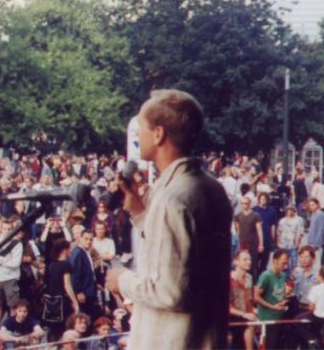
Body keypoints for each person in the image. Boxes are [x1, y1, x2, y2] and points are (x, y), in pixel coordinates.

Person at [106, 89, 232, 349]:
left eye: (140, 127)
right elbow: (181, 253)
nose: (138, 135)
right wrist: (140, 212)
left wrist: (122, 280)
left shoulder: (172, 198)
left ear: (159, 133)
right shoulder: (210, 188)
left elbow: (171, 292)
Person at [43, 239, 80, 340]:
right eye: (69, 249)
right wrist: (75, 301)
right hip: (63, 301)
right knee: (65, 328)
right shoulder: (66, 265)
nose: (70, 251)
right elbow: (67, 285)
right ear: (64, 250)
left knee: (54, 329)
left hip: (52, 301)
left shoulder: (51, 265)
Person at [254, 249, 291, 349]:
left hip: (278, 317)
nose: (285, 266)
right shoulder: (266, 276)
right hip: (267, 319)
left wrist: (284, 300)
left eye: (287, 263)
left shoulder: (283, 276)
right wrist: (273, 307)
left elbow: (279, 294)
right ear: (275, 261)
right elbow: (256, 297)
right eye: (283, 263)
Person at [0, 217, 23, 328]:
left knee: (12, 306)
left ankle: (12, 327)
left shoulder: (17, 244)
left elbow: (16, 263)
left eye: (9, 229)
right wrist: (6, 259)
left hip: (10, 278)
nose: (6, 231)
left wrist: (0, 262)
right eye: (4, 228)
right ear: (0, 229)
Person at [229, 250, 256, 350]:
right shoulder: (229, 279)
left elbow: (249, 301)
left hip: (245, 316)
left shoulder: (249, 278)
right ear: (236, 261)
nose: (249, 261)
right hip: (231, 317)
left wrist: (253, 312)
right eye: (245, 259)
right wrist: (244, 314)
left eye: (250, 259)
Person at [69, 230, 97, 320]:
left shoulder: (85, 252)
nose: (89, 242)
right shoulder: (77, 253)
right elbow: (74, 274)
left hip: (89, 291)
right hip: (83, 293)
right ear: (80, 239)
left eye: (91, 239)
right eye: (86, 239)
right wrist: (78, 292)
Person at [234, 197, 263, 280]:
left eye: (246, 203)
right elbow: (238, 231)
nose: (244, 205)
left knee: (252, 263)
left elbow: (259, 230)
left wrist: (261, 244)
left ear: (249, 204)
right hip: (242, 242)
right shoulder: (238, 215)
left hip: (252, 242)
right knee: (241, 262)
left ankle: (253, 282)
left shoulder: (255, 215)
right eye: (242, 203)